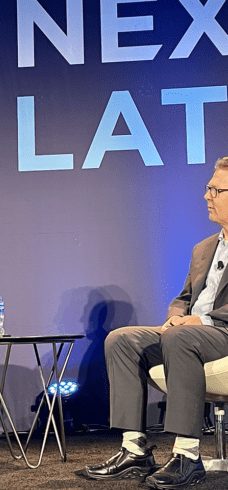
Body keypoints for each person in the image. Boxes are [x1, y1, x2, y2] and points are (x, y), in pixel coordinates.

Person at [86, 156, 228, 489]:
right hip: (192, 333)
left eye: (215, 190)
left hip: (222, 333)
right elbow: (183, 298)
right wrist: (177, 317)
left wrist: (199, 320)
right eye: (208, 188)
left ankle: (187, 455)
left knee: (182, 339)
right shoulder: (204, 248)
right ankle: (135, 448)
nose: (206, 196)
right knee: (121, 339)